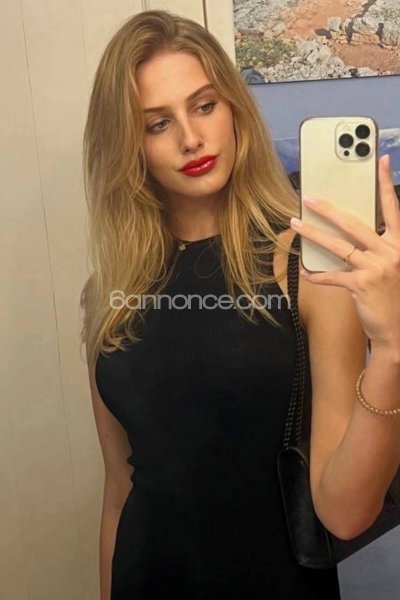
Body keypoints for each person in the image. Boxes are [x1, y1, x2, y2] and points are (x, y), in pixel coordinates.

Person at [79, 9, 400, 600]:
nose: (190, 138)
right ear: (128, 144)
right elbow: (119, 491)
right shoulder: (109, 292)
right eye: (157, 123)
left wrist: (392, 350)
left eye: (204, 105)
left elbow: (345, 514)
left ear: (233, 109)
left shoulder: (302, 267)